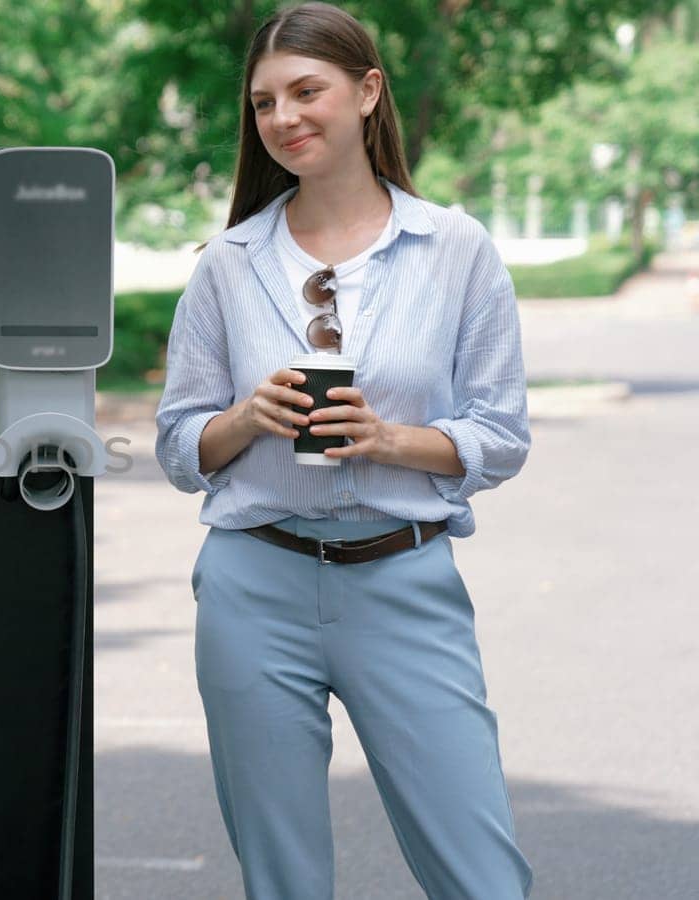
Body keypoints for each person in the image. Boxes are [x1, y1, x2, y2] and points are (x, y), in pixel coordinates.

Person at [154, 4, 533, 898]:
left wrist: (388, 439)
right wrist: (248, 418)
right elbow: (178, 444)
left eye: (306, 91)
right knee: (282, 880)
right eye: (263, 103)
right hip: (255, 583)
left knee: (481, 874)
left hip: (405, 581)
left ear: (367, 93)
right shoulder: (227, 264)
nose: (283, 118)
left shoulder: (455, 249)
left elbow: (502, 432)